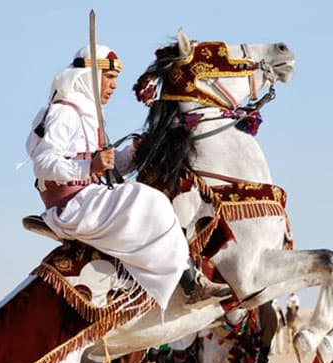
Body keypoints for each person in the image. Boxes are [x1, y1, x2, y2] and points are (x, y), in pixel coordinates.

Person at [24, 44, 229, 310]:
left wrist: (138, 149)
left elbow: (109, 168)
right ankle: (190, 282)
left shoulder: (89, 115)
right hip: (72, 204)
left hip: (89, 196)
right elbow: (43, 164)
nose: (114, 85)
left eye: (116, 79)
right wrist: (89, 167)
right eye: (109, 77)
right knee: (150, 200)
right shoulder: (65, 111)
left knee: (155, 197)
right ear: (89, 76)